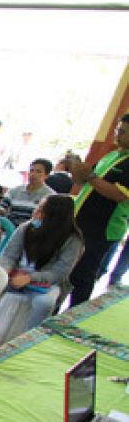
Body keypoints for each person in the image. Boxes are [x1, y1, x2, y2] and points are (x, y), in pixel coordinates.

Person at [0, 195, 83, 345]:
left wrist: (31, 278)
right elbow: (9, 255)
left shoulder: (72, 240)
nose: (35, 212)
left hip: (45, 283)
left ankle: (29, 341)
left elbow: (59, 272)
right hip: (16, 275)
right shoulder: (26, 228)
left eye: (41, 209)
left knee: (44, 303)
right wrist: (5, 271)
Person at [68, 114, 129, 305]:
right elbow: (83, 180)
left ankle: (71, 319)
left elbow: (119, 194)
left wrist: (91, 176)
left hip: (102, 229)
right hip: (80, 223)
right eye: (117, 129)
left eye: (122, 131)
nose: (116, 133)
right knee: (68, 271)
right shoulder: (111, 155)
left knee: (83, 276)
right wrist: (75, 166)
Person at [3, 158, 54, 226]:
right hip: (10, 229)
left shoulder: (50, 196)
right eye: (31, 170)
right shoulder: (14, 191)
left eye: (38, 171)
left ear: (46, 175)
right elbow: (2, 208)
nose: (33, 174)